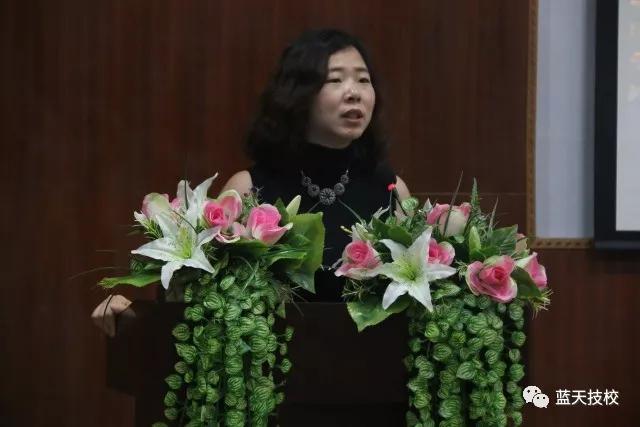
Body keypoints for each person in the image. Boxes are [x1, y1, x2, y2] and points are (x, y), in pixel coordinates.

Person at [92, 28, 411, 425]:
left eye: (363, 80)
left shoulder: (390, 189)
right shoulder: (249, 189)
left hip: (372, 398)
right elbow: (199, 295)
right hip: (274, 402)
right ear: (298, 94)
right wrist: (135, 314)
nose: (355, 93)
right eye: (335, 80)